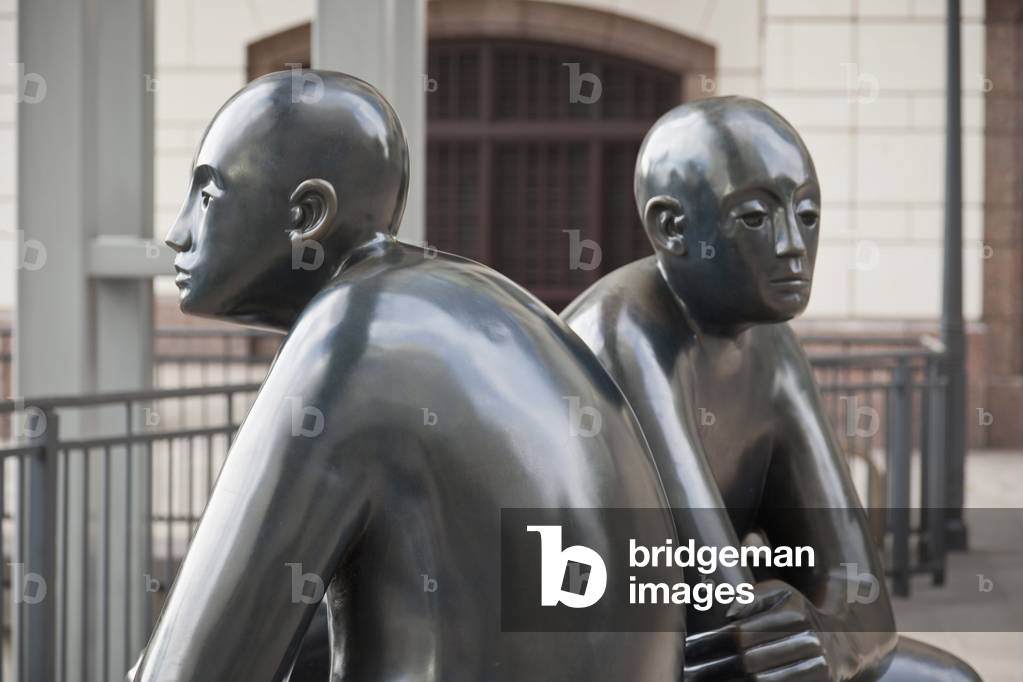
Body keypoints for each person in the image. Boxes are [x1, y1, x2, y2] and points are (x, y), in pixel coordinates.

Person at [131, 70, 683, 681]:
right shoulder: (448, 298)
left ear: (306, 216)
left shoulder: (355, 332)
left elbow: (189, 669)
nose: (177, 232)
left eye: (206, 197)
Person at [562, 96, 982, 682]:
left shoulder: (771, 344)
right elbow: (719, 602)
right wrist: (788, 636)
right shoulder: (623, 330)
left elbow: (860, 589)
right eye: (757, 218)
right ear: (671, 227)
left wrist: (828, 644)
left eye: (807, 214)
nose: (793, 244)